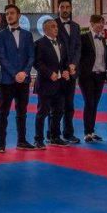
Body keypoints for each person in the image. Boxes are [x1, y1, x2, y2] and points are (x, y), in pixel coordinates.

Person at [0, 4, 36, 152]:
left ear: (19, 15)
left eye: (12, 13)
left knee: (22, 112)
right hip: (7, 80)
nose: (9, 16)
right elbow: (2, 57)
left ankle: (22, 140)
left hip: (23, 80)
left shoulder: (27, 35)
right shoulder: (1, 35)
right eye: (7, 14)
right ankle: (1, 143)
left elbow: (31, 56)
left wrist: (24, 73)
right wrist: (15, 74)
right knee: (3, 113)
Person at [33, 19, 70, 148]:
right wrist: (49, 73)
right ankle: (38, 139)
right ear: (45, 29)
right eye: (53, 26)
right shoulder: (39, 43)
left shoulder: (61, 43)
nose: (56, 28)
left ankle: (54, 136)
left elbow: (64, 61)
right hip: (45, 84)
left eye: (56, 26)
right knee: (42, 113)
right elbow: (37, 63)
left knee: (58, 112)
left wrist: (65, 71)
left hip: (60, 84)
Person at [54, 0, 83, 145]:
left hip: (72, 72)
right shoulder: (53, 25)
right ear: (58, 8)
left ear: (70, 9)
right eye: (62, 7)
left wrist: (74, 65)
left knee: (70, 105)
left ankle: (68, 133)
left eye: (67, 7)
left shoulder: (76, 26)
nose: (65, 9)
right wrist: (64, 68)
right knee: (57, 106)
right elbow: (54, 50)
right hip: (58, 73)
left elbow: (78, 48)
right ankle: (54, 135)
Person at [78, 15, 107, 142]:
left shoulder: (103, 40)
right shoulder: (83, 38)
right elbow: (78, 56)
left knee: (94, 104)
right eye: (98, 23)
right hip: (87, 76)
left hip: (100, 76)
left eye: (102, 23)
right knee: (89, 102)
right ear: (91, 23)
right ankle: (87, 132)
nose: (101, 25)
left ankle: (91, 130)